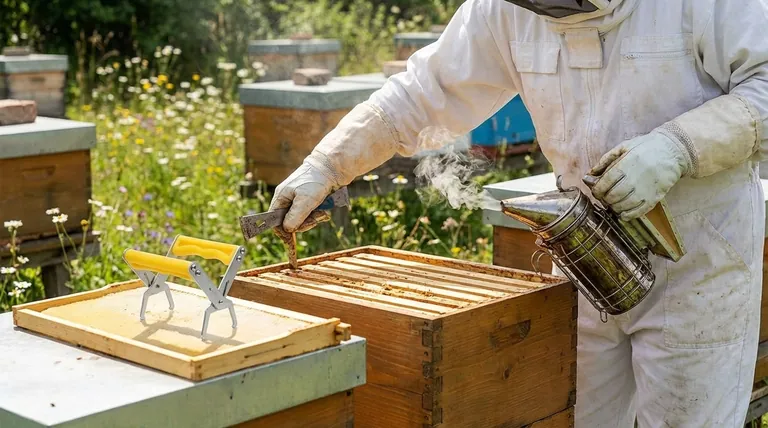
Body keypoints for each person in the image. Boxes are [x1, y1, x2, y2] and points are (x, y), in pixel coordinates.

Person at [268, 1, 768, 426]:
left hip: (697, 260)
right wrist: (327, 165)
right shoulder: (503, 8)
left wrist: (677, 147)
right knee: (565, 416)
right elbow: (422, 93)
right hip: (581, 251)